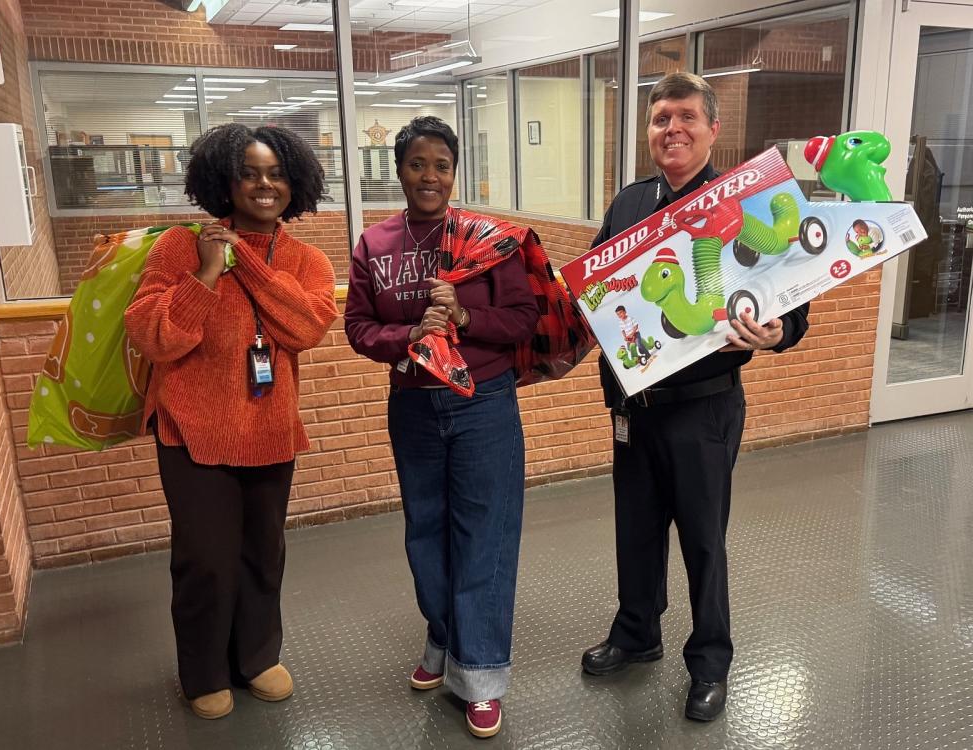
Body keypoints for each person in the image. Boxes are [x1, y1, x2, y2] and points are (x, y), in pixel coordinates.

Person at [580, 73, 810, 722]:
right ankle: (637, 633)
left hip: (705, 408)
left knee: (704, 542)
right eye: (661, 118)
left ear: (713, 129)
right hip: (635, 407)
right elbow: (595, 291)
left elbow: (794, 302)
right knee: (636, 530)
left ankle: (710, 663)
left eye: (686, 117)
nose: (672, 129)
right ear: (649, 131)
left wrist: (777, 333)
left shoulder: (746, 201)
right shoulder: (630, 204)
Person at [124, 123, 338, 719]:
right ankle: (203, 673)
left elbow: (306, 328)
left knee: (263, 554)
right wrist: (207, 272)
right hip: (192, 431)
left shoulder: (307, 260)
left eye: (276, 174)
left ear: (295, 184)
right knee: (206, 561)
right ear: (224, 180)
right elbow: (153, 336)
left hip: (270, 431)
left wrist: (244, 262)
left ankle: (256, 657)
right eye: (249, 173)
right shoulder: (180, 247)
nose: (264, 185)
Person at [343, 116, 539, 739]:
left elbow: (523, 319)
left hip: (483, 402)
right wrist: (410, 334)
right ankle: (444, 640)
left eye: (442, 166)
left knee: (485, 534)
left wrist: (466, 318)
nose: (429, 176)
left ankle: (479, 673)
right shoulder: (374, 245)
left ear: (455, 172)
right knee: (425, 533)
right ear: (399, 170)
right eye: (417, 164)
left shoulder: (488, 239)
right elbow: (358, 328)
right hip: (414, 404)